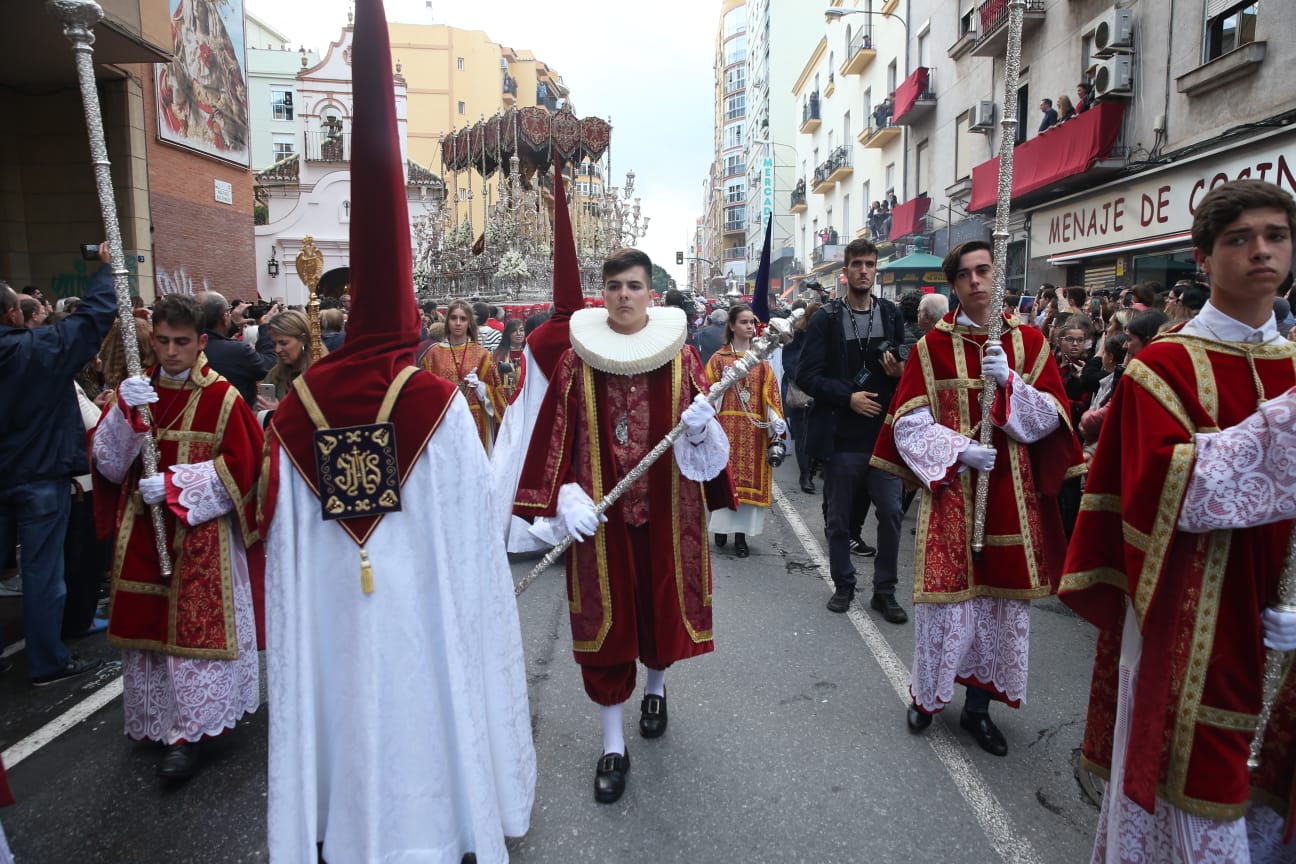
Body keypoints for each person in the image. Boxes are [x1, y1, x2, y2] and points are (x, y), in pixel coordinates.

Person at [262, 0, 535, 856]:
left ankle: (335, 824)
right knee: (425, 697)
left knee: (342, 699)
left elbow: (282, 547)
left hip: (337, 614)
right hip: (417, 610)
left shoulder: (294, 408)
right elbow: (471, 535)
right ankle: (442, 819)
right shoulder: (432, 403)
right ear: (414, 319)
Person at [1060, 179, 1296, 861]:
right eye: (1239, 238)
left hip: (1281, 617)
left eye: (1276, 236)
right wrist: (1282, 427)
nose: (1261, 251)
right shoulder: (1161, 366)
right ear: (1202, 256)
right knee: (1196, 803)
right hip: (1192, 617)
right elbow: (1168, 490)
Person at [515, 247, 735, 805]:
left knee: (660, 613)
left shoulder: (682, 359)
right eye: (613, 286)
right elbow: (557, 437)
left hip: (666, 509)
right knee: (607, 630)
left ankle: (656, 691)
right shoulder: (576, 359)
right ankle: (613, 745)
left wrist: (702, 429)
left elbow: (700, 443)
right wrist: (566, 496)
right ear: (603, 294)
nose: (623, 296)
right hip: (602, 520)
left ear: (650, 294)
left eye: (633, 286)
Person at [871, 240, 1083, 756]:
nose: (976, 281)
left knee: (996, 606)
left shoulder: (1030, 343)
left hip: (1012, 491)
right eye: (964, 274)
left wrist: (1009, 381)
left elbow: (1053, 420)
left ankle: (978, 710)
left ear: (997, 275)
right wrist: (960, 450)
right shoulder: (930, 348)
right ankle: (927, 697)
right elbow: (907, 424)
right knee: (948, 606)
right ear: (953, 285)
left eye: (984, 270)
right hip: (951, 494)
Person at [90, 293, 263, 778]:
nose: (170, 352)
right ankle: (158, 723)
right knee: (151, 634)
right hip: (144, 533)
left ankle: (191, 731)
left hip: (200, 536)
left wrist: (174, 484)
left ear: (201, 341)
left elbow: (245, 468)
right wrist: (124, 415)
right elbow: (106, 464)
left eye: (181, 342)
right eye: (162, 341)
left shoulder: (222, 397)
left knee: (194, 634)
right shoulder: (137, 393)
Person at [0, 244, 115, 686]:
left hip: (25, 471)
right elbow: (90, 323)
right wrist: (107, 271)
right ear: (13, 315)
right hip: (39, 474)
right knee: (43, 570)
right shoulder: (38, 350)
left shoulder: (36, 346)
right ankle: (48, 661)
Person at [795, 238, 908, 623]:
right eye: (857, 264)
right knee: (839, 518)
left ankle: (885, 591)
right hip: (842, 438)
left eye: (870, 264)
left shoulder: (890, 314)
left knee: (891, 513)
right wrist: (849, 397)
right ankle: (844, 585)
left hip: (883, 439)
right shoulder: (827, 318)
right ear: (846, 270)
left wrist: (898, 372)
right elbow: (807, 375)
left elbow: (903, 368)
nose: (863, 270)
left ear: (876, 269)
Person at [707, 303, 786, 558]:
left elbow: (771, 395)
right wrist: (723, 382)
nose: (750, 327)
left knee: (747, 486)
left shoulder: (761, 363)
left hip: (753, 432)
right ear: (731, 326)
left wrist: (776, 421)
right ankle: (721, 528)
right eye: (744, 322)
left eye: (752, 322)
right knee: (725, 481)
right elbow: (706, 395)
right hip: (726, 430)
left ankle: (740, 537)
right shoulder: (718, 360)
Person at [420, 299, 507, 453]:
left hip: (475, 420)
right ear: (447, 322)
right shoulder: (433, 355)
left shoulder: (482, 355)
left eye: (463, 318)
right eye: (453, 318)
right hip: (445, 421)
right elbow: (425, 394)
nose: (458, 323)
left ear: (469, 322)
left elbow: (497, 393)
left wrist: (481, 387)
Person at [196, 291, 276, 404]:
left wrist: (232, 324)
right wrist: (264, 328)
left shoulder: (188, 348)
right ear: (224, 318)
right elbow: (269, 364)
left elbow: (213, 338)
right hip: (233, 414)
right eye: (228, 312)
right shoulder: (237, 351)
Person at [254, 309, 319, 423]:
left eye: (283, 343)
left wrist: (281, 412)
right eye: (274, 344)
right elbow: (256, 414)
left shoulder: (320, 373)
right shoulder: (274, 374)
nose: (277, 350)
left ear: (303, 339)